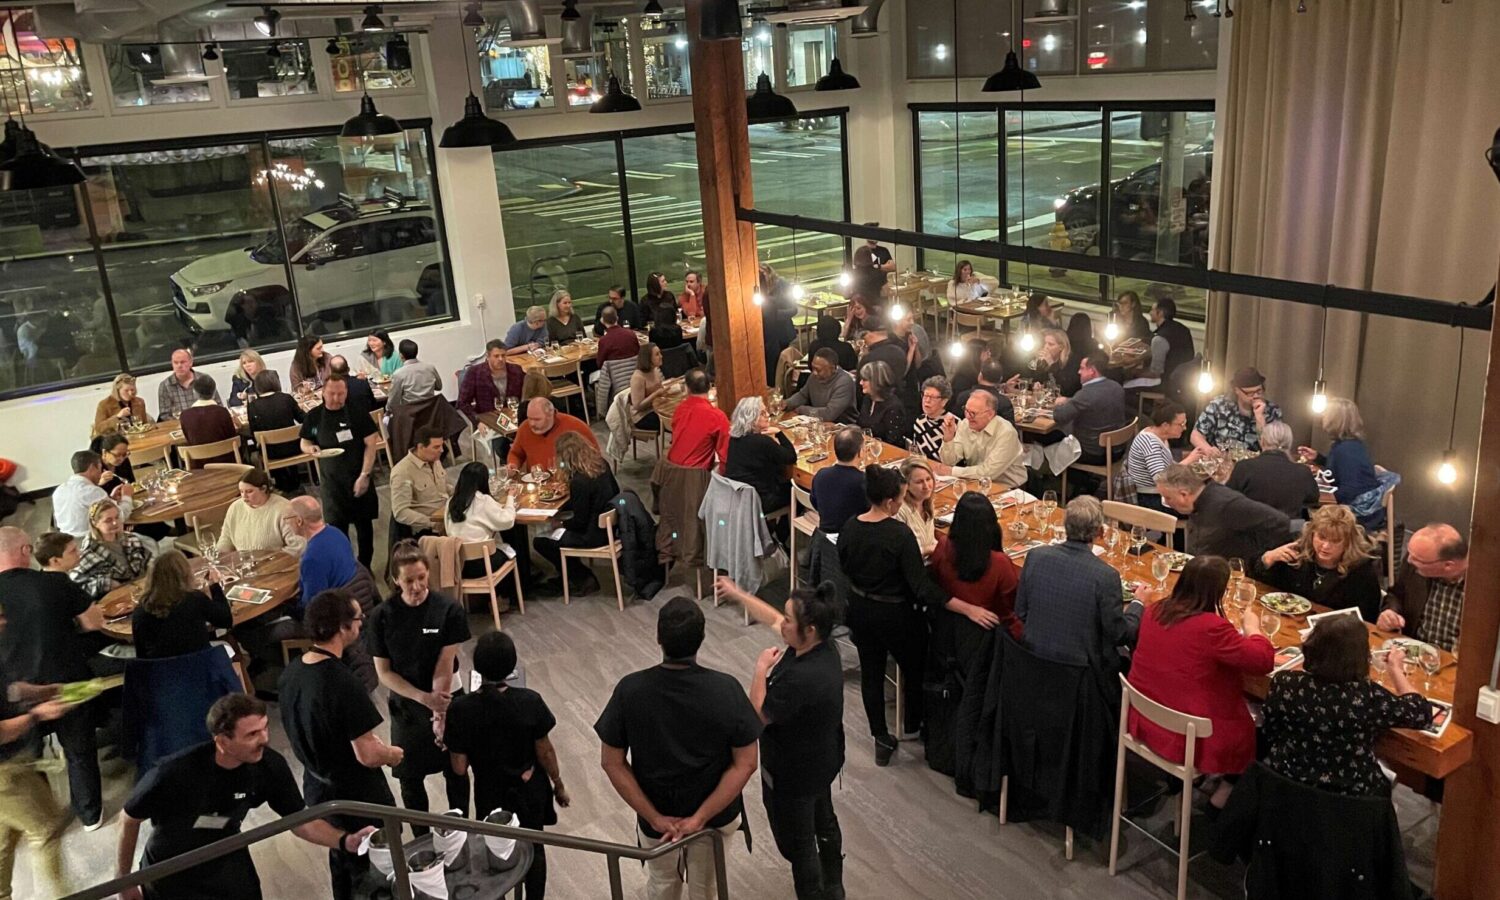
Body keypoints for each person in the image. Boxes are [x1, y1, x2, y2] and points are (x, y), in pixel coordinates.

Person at [116, 694, 370, 900]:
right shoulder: (173, 772)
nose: (264, 740)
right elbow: (128, 819)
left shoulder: (269, 766)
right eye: (252, 734)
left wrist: (345, 840)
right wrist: (124, 881)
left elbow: (300, 821)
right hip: (172, 865)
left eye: (264, 728)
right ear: (223, 741)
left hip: (226, 851)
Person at [594, 597, 762, 900]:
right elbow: (747, 763)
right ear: (702, 638)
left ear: (658, 637)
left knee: (661, 884)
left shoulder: (630, 690)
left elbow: (611, 762)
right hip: (714, 817)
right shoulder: (727, 689)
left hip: (656, 812)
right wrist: (700, 818)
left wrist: (654, 817)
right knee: (706, 890)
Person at [714, 578, 845, 900]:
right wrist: (739, 594)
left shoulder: (801, 679)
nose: (782, 624)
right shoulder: (823, 648)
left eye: (789, 619)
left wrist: (760, 670)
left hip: (793, 773)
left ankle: (815, 892)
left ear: (809, 629)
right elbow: (773, 618)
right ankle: (834, 885)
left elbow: (756, 715)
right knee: (824, 822)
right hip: (823, 761)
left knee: (798, 844)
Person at [278, 589, 402, 900]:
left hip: (317, 786)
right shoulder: (342, 682)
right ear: (343, 627)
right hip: (355, 794)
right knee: (376, 866)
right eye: (358, 619)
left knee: (341, 856)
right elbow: (367, 754)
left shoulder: (292, 672)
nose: (361, 624)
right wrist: (392, 754)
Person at [1127, 556, 1274, 809]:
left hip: (1145, 719)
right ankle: (1225, 792)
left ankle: (1213, 783)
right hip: (1187, 737)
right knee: (1264, 723)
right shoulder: (1212, 628)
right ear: (1218, 592)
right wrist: (1253, 629)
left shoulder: (1155, 609)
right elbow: (1263, 661)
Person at [838, 466, 950, 764]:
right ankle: (914, 723)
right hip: (896, 614)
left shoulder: (850, 526)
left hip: (860, 609)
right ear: (890, 502)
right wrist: (951, 602)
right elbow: (919, 585)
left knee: (871, 674)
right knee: (916, 667)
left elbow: (844, 565)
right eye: (900, 498)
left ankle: (880, 737)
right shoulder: (899, 534)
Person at [446, 633, 569, 899]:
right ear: (512, 665)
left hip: (490, 793)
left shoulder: (460, 709)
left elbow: (459, 767)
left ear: (477, 667)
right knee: (535, 849)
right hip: (529, 789)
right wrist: (558, 784)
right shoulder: (530, 701)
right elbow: (545, 751)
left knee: (494, 854)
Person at [0, 526, 106, 830]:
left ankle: (41, 815)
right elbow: (93, 622)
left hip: (13, 691)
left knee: (27, 755)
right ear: (25, 551)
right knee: (79, 749)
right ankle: (89, 813)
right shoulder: (54, 582)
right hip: (65, 681)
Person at [1262, 615, 1431, 796]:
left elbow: (1270, 731)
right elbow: (1422, 712)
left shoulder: (1285, 683)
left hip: (1285, 786)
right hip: (1350, 799)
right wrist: (1395, 669)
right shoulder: (1368, 697)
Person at [368, 542, 471, 829]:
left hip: (446, 694)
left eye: (422, 577)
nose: (416, 586)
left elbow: (445, 663)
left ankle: (461, 829)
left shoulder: (448, 609)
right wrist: (422, 698)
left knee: (457, 769)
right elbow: (384, 672)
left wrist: (439, 709)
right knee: (409, 776)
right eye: (409, 580)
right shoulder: (382, 616)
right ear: (395, 580)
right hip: (407, 702)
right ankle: (421, 836)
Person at [1016, 497, 1143, 673]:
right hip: (1083, 674)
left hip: (1032, 662)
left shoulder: (1035, 556)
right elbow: (1119, 635)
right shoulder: (1106, 576)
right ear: (1100, 532)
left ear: (1065, 525)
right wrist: (1138, 604)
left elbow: (1021, 612)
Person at [0, 602, 75, 900]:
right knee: (47, 829)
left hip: (12, 764)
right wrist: (36, 715)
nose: (4, 622)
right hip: (5, 771)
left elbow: (9, 689)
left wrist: (41, 692)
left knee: (6, 835)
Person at [300, 375, 380, 568]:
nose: (336, 398)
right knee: (337, 529)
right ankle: (346, 567)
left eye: (341, 394)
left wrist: (365, 475)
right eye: (332, 394)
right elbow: (305, 440)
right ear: (323, 392)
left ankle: (365, 566)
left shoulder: (357, 413)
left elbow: (371, 444)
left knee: (364, 527)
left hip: (359, 476)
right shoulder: (314, 417)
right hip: (332, 482)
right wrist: (310, 448)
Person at [1258, 505, 1382, 622]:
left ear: (1348, 543)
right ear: (1312, 534)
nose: (1326, 546)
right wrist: (1268, 559)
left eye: (1335, 541)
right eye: (1321, 537)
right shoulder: (1294, 551)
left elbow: (1367, 620)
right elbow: (1263, 589)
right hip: (1287, 623)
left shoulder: (1362, 573)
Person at [534, 433, 619, 595]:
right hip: (609, 528)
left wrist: (559, 523)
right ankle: (570, 575)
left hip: (592, 536)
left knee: (541, 542)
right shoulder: (602, 464)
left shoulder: (579, 482)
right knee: (555, 533)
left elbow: (579, 522)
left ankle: (582, 577)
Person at [930, 491, 1022, 638]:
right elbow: (1010, 608)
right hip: (987, 634)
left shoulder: (943, 545)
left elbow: (935, 582)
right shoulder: (1000, 562)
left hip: (946, 629)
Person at [1156, 463, 1293, 561]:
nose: (1166, 502)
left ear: (1184, 494)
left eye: (1168, 497)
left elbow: (1280, 521)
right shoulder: (1197, 500)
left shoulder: (1228, 504)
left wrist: (1259, 559)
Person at [1297, 398, 1393, 528]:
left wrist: (1323, 498)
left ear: (1334, 420)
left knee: (1302, 508)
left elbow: (1349, 490)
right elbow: (1339, 470)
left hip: (1359, 514)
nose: (1323, 417)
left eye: (1326, 414)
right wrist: (1318, 457)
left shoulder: (1346, 450)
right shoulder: (1350, 445)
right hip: (1363, 507)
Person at [1378, 523, 1467, 652]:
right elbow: (1396, 595)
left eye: (1417, 559)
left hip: (1456, 658)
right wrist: (1391, 612)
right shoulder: (1415, 563)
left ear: (1448, 565)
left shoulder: (1483, 588)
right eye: (1410, 553)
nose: (1409, 560)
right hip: (1413, 651)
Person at [129, 549, 232, 660]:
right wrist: (214, 585)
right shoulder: (194, 599)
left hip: (163, 670)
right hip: (202, 666)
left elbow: (141, 656)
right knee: (226, 645)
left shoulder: (140, 611)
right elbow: (226, 620)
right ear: (185, 574)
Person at [445, 461, 531, 585]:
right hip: (482, 563)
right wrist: (510, 497)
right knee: (511, 549)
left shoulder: (450, 502)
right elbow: (507, 521)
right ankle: (520, 586)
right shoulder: (483, 500)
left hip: (459, 564)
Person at [1227, 421, 1321, 521]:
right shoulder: (1303, 472)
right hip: (1288, 529)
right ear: (1289, 444)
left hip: (1251, 528)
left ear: (1262, 441)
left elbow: (1228, 500)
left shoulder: (1244, 467)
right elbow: (1313, 500)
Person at [1049, 351, 1130, 465]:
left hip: (1093, 453)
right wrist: (1069, 400)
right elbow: (1095, 402)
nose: (1079, 372)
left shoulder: (1086, 394)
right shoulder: (1116, 387)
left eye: (1082, 368)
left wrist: (1056, 405)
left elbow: (1060, 416)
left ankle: (1044, 469)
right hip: (1117, 450)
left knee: (1051, 437)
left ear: (1092, 371)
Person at [933, 391, 1027, 488]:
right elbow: (948, 462)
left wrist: (952, 471)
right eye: (966, 410)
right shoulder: (965, 424)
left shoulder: (1006, 433)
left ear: (990, 414)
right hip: (976, 483)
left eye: (973, 413)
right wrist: (948, 438)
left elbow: (988, 472)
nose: (968, 417)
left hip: (1008, 488)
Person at [725, 397, 797, 520]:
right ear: (752, 418)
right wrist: (779, 433)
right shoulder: (762, 442)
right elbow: (791, 457)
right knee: (797, 490)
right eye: (763, 413)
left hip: (737, 497)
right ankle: (783, 530)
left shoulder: (734, 438)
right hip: (760, 500)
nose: (768, 415)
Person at [1125, 401, 1203, 514]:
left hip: (1161, 492)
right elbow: (1161, 478)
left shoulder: (1158, 434)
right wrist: (1189, 460)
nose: (1185, 428)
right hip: (1150, 498)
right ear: (1165, 425)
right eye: (1181, 424)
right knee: (1198, 507)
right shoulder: (1150, 443)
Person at [70, 499, 154, 600]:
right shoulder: (88, 553)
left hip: (143, 591)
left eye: (117, 517)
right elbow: (77, 588)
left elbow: (148, 561)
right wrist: (104, 584)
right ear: (95, 523)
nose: (115, 523)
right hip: (116, 599)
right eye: (108, 520)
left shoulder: (131, 539)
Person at [287, 496, 360, 611]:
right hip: (353, 601)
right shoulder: (337, 533)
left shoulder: (311, 559)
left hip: (336, 612)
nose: (286, 523)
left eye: (287, 518)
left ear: (299, 521)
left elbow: (311, 606)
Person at [1191, 366, 1282, 452]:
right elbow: (1196, 435)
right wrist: (1208, 450)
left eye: (1259, 391)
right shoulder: (1219, 405)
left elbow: (1271, 450)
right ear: (1237, 390)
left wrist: (1260, 418)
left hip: (1255, 461)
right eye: (1250, 393)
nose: (1255, 396)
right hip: (1222, 458)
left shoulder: (1272, 411)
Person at [217, 469, 304, 556]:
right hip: (243, 562)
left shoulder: (284, 509)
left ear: (263, 489)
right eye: (241, 491)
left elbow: (298, 546)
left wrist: (271, 559)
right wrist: (220, 556)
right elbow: (226, 538)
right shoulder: (235, 507)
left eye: (249, 491)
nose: (244, 496)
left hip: (273, 562)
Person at [246, 370, 305, 491]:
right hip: (294, 446)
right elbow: (303, 419)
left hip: (270, 452)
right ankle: (296, 479)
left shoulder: (253, 406)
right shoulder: (286, 398)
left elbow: (254, 432)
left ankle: (280, 482)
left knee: (262, 446)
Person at [53, 449, 134, 538]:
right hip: (92, 539)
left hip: (65, 540)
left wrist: (111, 498)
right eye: (100, 468)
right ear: (92, 467)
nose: (101, 473)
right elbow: (121, 516)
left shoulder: (59, 490)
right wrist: (127, 496)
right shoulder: (91, 491)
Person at [666, 368, 731, 473]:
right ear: (709, 387)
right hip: (695, 475)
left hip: (669, 471)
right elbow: (726, 456)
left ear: (687, 388)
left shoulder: (679, 410)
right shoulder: (717, 416)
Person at [390, 426, 449, 541]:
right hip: (426, 532)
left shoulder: (435, 460)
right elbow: (401, 512)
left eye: (442, 445)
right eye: (436, 447)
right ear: (421, 447)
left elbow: (443, 487)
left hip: (446, 518)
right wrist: (431, 523)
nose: (442, 450)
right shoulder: (402, 472)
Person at [508, 397, 597, 472]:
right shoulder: (524, 428)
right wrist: (513, 464)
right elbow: (516, 454)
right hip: (537, 482)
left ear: (551, 414)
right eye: (529, 418)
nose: (532, 424)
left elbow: (595, 459)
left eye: (537, 419)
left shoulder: (576, 427)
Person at [809, 426, 868, 535]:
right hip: (853, 538)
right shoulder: (864, 481)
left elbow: (815, 502)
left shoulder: (821, 475)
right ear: (860, 453)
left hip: (824, 538)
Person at [782, 349, 856, 424]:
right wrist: (787, 403)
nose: (814, 372)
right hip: (819, 423)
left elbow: (829, 414)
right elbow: (803, 395)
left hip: (843, 426)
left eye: (818, 370)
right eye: (813, 368)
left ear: (832, 368)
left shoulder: (844, 382)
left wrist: (801, 409)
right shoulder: (814, 377)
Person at [178, 375, 237, 466]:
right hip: (227, 463)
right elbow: (232, 436)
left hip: (200, 465)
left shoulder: (185, 416)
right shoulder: (222, 412)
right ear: (214, 392)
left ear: (194, 392)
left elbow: (188, 440)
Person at [855, 359, 910, 448]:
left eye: (865, 380)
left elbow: (892, 443)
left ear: (877, 382)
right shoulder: (868, 399)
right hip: (866, 448)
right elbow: (861, 427)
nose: (861, 383)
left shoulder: (894, 407)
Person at [158, 348, 219, 421]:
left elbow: (217, 405)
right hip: (179, 424)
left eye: (183, 362)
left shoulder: (204, 380)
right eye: (176, 363)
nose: (179, 366)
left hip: (205, 422)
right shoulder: (165, 385)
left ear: (191, 363)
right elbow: (165, 415)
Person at [456, 339, 511, 420]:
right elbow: (462, 403)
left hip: (512, 416)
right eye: (496, 356)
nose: (500, 359)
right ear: (488, 356)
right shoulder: (475, 373)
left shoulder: (516, 371)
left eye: (503, 355)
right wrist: (477, 421)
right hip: (487, 418)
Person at [1016, 328, 1079, 398]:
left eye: (1050, 344)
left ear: (1061, 347)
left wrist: (1051, 363)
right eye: (1045, 343)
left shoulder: (1071, 362)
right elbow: (1037, 381)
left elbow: (1065, 390)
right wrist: (1036, 385)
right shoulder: (1043, 362)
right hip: (1045, 400)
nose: (1046, 347)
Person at [896, 457, 939, 557]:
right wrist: (929, 549)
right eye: (919, 482)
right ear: (906, 485)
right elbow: (902, 552)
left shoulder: (926, 502)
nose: (926, 486)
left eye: (928, 479)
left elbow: (931, 540)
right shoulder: (900, 511)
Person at [1149, 296, 1196, 387]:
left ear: (1160, 313)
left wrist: (1132, 373)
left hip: (1165, 383)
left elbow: (1155, 373)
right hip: (1182, 381)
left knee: (1125, 384)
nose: (1150, 313)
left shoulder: (1159, 339)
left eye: (1152, 310)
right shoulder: (1182, 329)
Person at [385, 339, 443, 411]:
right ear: (416, 352)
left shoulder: (398, 374)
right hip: (431, 412)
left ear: (401, 355)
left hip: (411, 414)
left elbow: (393, 401)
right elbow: (439, 387)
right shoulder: (430, 368)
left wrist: (387, 411)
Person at [857, 315, 908, 385]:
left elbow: (860, 387)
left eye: (863, 336)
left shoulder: (868, 359)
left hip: (877, 392)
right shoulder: (899, 351)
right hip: (900, 391)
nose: (864, 339)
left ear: (869, 334)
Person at [93, 373, 147, 437]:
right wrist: (117, 417)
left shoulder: (139, 402)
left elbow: (145, 424)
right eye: (126, 390)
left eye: (132, 390)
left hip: (138, 437)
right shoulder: (104, 404)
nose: (130, 393)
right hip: (115, 439)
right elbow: (99, 428)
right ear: (118, 390)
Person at [630, 344, 669, 431]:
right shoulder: (638, 377)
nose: (661, 356)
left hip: (656, 408)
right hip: (643, 416)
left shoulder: (655, 370)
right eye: (657, 354)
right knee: (675, 421)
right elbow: (637, 406)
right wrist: (656, 394)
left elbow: (660, 388)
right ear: (648, 358)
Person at [911, 376, 952, 459]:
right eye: (925, 395)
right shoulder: (920, 421)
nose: (927, 400)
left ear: (944, 401)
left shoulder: (952, 423)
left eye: (932, 397)